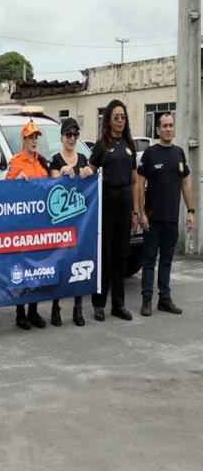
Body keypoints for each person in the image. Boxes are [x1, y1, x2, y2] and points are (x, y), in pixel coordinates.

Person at [137, 113, 195, 316]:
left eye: (171, 125)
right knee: (149, 260)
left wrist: (190, 211)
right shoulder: (150, 154)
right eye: (165, 126)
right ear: (158, 130)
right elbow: (139, 183)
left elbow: (186, 183)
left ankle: (164, 298)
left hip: (172, 219)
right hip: (152, 219)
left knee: (167, 260)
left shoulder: (179, 153)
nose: (169, 129)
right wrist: (141, 213)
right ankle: (146, 299)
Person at [89, 100, 139, 322]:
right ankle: (99, 304)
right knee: (105, 255)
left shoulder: (129, 143)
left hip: (125, 202)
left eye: (123, 117)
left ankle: (118, 305)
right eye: (116, 117)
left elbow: (135, 181)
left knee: (121, 255)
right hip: (107, 202)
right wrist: (76, 172)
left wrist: (136, 212)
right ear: (108, 120)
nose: (120, 121)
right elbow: (90, 170)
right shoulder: (101, 145)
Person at [5, 120, 50, 330]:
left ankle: (33, 311)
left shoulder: (42, 164)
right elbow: (4, 189)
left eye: (36, 137)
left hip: (39, 228)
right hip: (22, 228)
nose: (34, 141)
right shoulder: (16, 162)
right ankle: (20, 313)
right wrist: (15, 180)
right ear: (23, 140)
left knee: (38, 271)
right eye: (31, 137)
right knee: (21, 271)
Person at [49, 118, 94, 327]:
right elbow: (50, 183)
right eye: (69, 135)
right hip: (61, 223)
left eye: (75, 135)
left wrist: (90, 172)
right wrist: (61, 173)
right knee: (61, 263)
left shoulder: (84, 158)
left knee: (79, 262)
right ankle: (55, 307)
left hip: (81, 221)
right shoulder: (56, 159)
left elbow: (94, 179)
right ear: (62, 137)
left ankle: (78, 307)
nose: (72, 138)